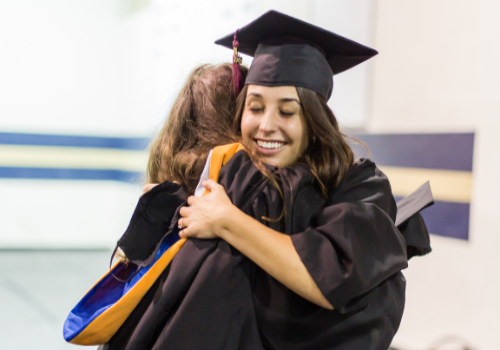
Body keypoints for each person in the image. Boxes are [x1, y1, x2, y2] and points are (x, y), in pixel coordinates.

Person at [105, 10, 431, 350]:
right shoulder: (230, 180)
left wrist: (227, 220)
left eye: (287, 112)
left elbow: (332, 275)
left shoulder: (355, 186)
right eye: (255, 107)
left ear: (314, 120)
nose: (266, 125)